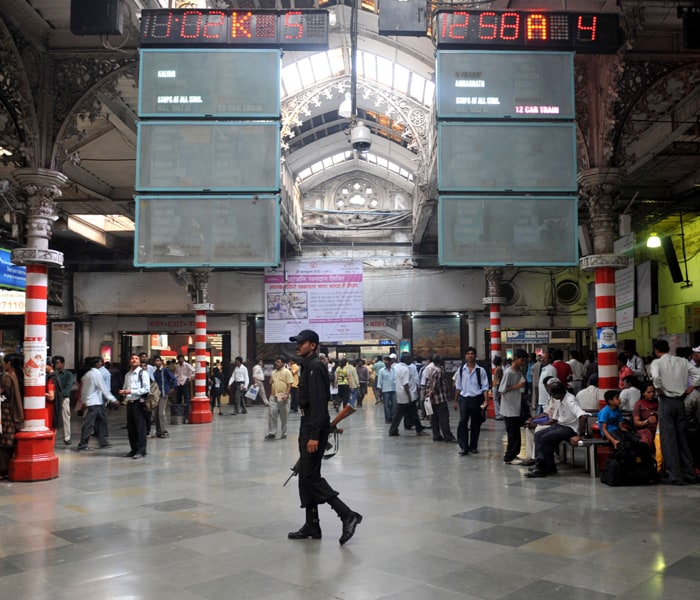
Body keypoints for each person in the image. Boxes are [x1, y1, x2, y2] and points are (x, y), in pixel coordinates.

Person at [287, 329, 362, 546]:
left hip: (313, 426)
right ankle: (312, 524)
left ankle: (347, 515)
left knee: (311, 477)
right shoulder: (306, 366)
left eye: (301, 343)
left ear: (313, 345)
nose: (297, 346)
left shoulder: (315, 366)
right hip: (307, 424)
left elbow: (320, 403)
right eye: (297, 343)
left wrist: (313, 436)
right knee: (304, 476)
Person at [650, 339, 700, 485]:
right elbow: (698, 375)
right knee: (683, 438)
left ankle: (675, 476)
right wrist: (689, 389)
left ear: (656, 351)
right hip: (681, 401)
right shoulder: (683, 361)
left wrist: (659, 390)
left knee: (669, 440)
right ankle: (690, 473)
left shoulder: (657, 363)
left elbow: (656, 378)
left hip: (666, 401)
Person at [526, 380, 588, 478]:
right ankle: (540, 464)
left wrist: (579, 435)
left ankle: (547, 468)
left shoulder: (570, 400)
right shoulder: (561, 399)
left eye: (551, 393)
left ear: (557, 394)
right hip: (561, 425)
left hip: (569, 428)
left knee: (546, 438)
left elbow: (583, 416)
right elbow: (554, 418)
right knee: (538, 435)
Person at [453, 347, 489, 456]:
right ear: (465, 356)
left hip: (476, 399)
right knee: (463, 422)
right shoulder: (460, 370)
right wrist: (455, 401)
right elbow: (458, 386)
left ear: (475, 355)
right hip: (464, 399)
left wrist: (486, 401)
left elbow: (485, 387)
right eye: (468, 353)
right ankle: (464, 447)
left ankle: (473, 446)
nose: (470, 355)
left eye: (472, 353)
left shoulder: (480, 370)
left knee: (475, 424)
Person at [77, 356, 118, 451]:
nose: (101, 363)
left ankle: (102, 442)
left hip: (93, 402)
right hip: (95, 402)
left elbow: (84, 390)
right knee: (90, 424)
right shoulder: (96, 374)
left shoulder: (88, 374)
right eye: (99, 362)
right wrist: (112, 399)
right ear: (96, 364)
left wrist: (84, 401)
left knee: (99, 423)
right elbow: (103, 387)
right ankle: (83, 444)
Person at [120, 353, 151, 460]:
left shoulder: (143, 373)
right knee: (131, 428)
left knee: (140, 428)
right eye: (132, 358)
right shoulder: (127, 375)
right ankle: (133, 449)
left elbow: (146, 389)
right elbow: (125, 387)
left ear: (139, 362)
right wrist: (124, 392)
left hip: (139, 402)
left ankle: (141, 451)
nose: (134, 360)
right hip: (130, 403)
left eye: (136, 359)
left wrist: (131, 391)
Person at [500, 349, 527, 465]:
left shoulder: (519, 372)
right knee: (512, 434)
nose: (523, 362)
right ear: (516, 358)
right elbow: (502, 389)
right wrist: (517, 386)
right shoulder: (508, 372)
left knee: (516, 433)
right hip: (509, 408)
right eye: (522, 360)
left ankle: (514, 454)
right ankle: (509, 457)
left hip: (516, 406)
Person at [388, 353, 426, 437]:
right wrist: (409, 396)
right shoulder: (406, 369)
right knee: (413, 413)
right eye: (409, 359)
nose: (411, 360)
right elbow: (405, 384)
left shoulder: (397, 367)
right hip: (406, 395)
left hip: (399, 393)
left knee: (399, 414)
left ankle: (393, 430)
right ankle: (419, 430)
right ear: (405, 360)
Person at [0, 353, 24, 479]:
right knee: (8, 442)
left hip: (6, 413)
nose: (3, 364)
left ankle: (2, 469)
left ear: (9, 364)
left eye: (4, 362)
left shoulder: (7, 378)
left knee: (4, 442)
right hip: (15, 413)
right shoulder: (19, 376)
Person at [265, 357, 293, 440]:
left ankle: (284, 433)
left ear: (283, 363)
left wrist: (286, 395)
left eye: (278, 362)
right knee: (272, 413)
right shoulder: (273, 372)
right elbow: (271, 383)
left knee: (284, 415)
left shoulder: (287, 372)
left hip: (282, 395)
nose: (276, 363)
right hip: (273, 396)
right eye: (276, 361)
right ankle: (272, 433)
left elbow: (289, 384)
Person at [52, 356, 75, 446]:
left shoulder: (68, 374)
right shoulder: (52, 374)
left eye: (57, 363)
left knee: (66, 417)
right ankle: (52, 436)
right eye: (55, 363)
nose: (56, 365)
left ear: (63, 363)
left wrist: (59, 396)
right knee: (52, 418)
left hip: (63, 398)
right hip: (53, 398)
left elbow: (68, 387)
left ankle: (67, 437)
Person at [153, 355, 177, 437]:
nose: (157, 362)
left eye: (158, 361)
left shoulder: (165, 370)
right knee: (155, 414)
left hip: (163, 394)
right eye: (155, 361)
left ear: (161, 362)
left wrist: (172, 388)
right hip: (156, 395)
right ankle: (158, 431)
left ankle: (164, 431)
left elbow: (174, 379)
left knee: (161, 413)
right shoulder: (155, 372)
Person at [633, 382, 658, 450]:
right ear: (643, 393)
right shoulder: (639, 404)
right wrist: (647, 421)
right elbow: (636, 422)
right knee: (646, 440)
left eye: (653, 392)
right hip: (645, 429)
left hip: (659, 428)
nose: (652, 394)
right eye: (649, 392)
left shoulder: (658, 402)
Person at [376, 355, 397, 423]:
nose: (386, 362)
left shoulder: (394, 370)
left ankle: (393, 417)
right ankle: (388, 418)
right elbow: (379, 381)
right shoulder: (382, 371)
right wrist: (379, 390)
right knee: (386, 405)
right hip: (385, 390)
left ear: (390, 362)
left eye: (387, 361)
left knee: (394, 404)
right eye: (385, 361)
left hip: (394, 389)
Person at [175, 354, 195, 421]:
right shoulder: (177, 366)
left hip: (185, 381)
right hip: (179, 382)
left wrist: (190, 377)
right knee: (179, 398)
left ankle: (186, 413)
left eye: (181, 359)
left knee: (186, 397)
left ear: (183, 359)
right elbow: (176, 373)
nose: (180, 360)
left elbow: (193, 370)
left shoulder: (187, 365)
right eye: (179, 359)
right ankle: (180, 412)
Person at [492, 356, 504, 420]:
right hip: (497, 385)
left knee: (495, 399)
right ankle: (499, 413)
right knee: (497, 399)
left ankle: (498, 414)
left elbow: (498, 379)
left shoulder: (498, 369)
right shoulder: (499, 368)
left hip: (496, 385)